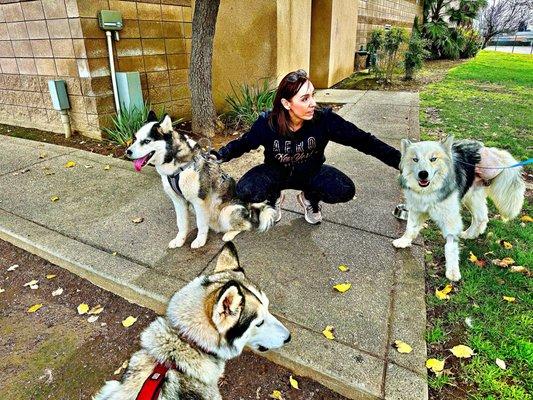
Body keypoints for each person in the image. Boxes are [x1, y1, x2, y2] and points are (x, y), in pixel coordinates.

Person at [212, 69, 401, 224]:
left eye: (312, 96)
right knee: (245, 190)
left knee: (344, 189)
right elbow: (243, 143)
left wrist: (399, 161)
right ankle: (274, 197)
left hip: (311, 173)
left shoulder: (324, 120)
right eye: (304, 99)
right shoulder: (267, 123)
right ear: (286, 103)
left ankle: (310, 198)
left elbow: (362, 140)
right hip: (275, 173)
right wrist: (219, 156)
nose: (313, 103)